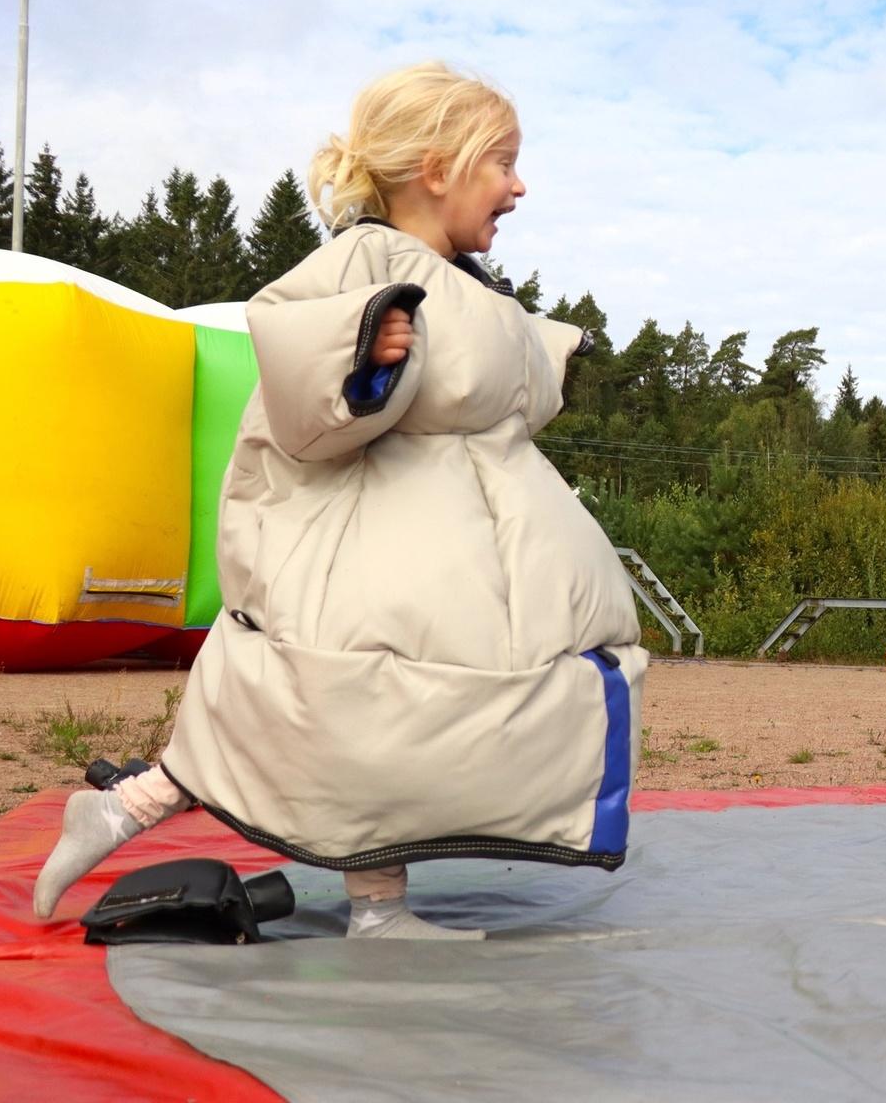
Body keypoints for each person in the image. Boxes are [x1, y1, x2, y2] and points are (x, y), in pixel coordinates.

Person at [34, 63, 644, 939]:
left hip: (455, 545)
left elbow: (487, 390)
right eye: (502, 163)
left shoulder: (468, 284)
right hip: (372, 543)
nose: (519, 185)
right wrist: (367, 355)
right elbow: (298, 369)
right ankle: (164, 823)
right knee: (356, 709)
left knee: (389, 724)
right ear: (438, 169)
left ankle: (140, 811)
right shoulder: (364, 259)